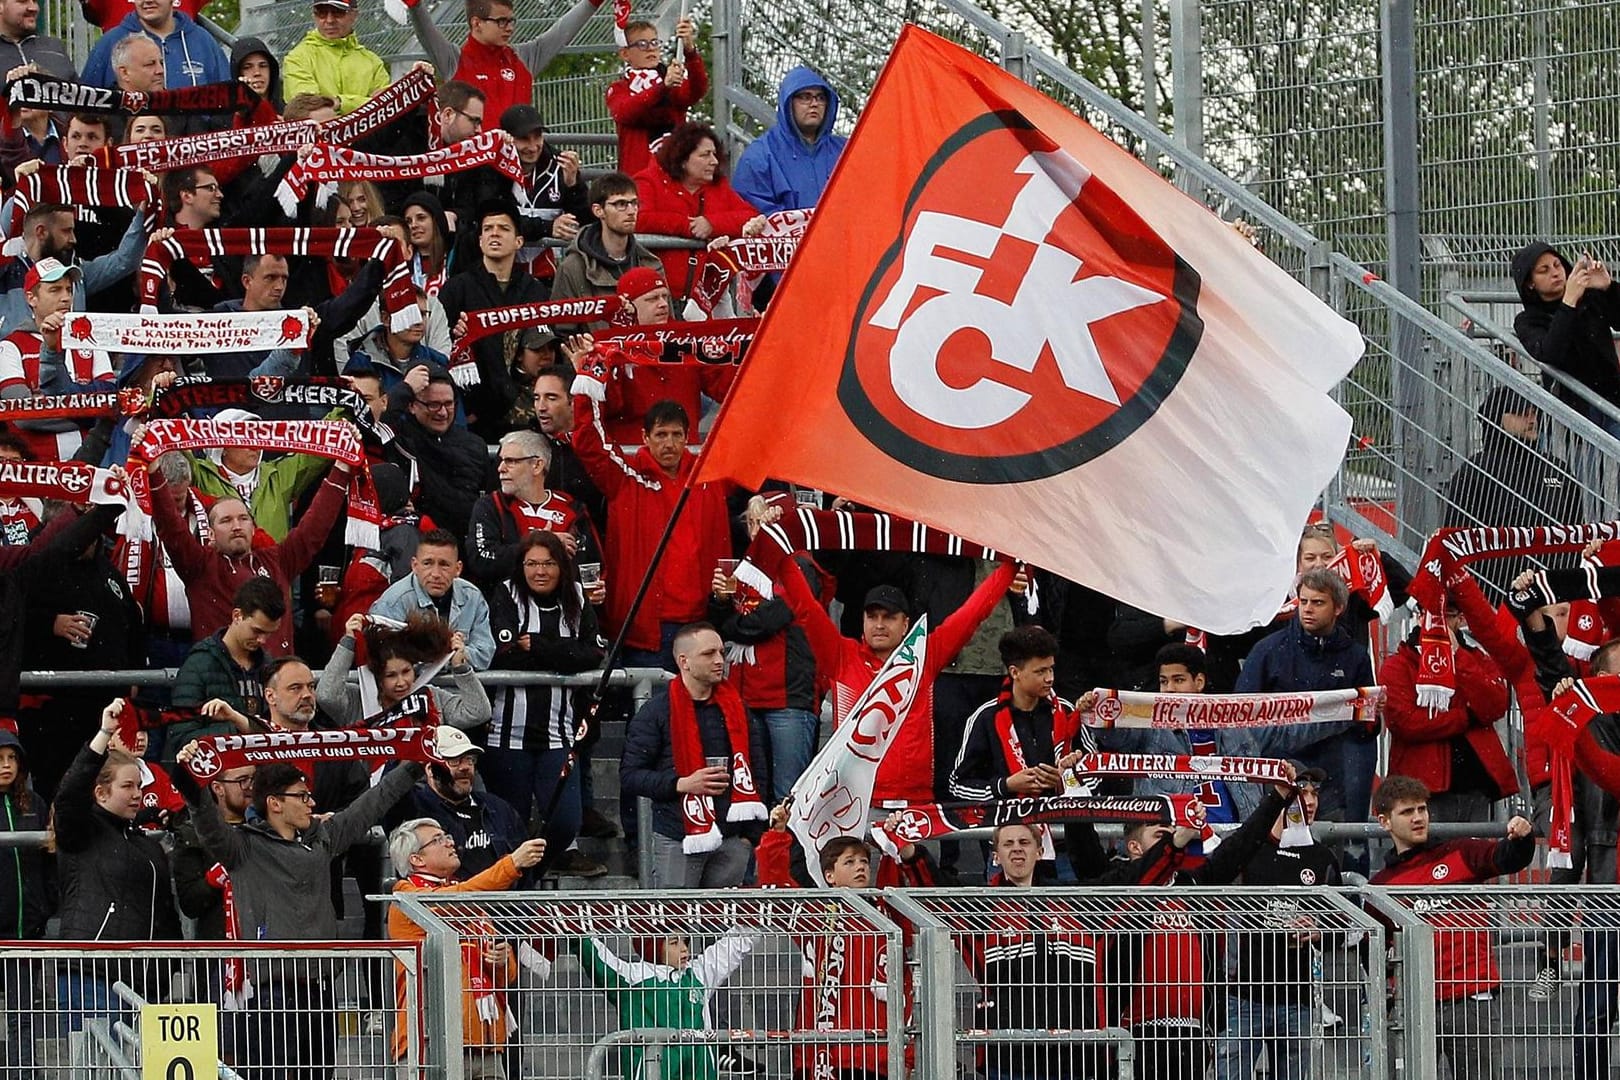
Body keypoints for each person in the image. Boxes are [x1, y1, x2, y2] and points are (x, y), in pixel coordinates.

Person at [175, 744, 424, 1079]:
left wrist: (415, 763)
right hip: (269, 998)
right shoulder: (241, 847)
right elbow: (204, 818)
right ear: (274, 803)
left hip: (321, 992)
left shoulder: (322, 837)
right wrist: (189, 776)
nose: (312, 802)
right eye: (302, 796)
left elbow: (371, 804)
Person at [775, 553, 1017, 804]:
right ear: (863, 622)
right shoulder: (841, 656)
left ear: (905, 624)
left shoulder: (925, 656)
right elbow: (806, 608)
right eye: (872, 616)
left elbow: (973, 612)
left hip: (914, 803)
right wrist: (779, 554)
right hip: (853, 802)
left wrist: (1011, 566)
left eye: (889, 617)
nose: (879, 624)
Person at [1369, 776, 1535, 1080]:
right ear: (1385, 821)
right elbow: (1377, 954)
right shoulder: (1380, 887)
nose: (1418, 818)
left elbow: (1508, 859)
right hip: (1416, 1007)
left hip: (1472, 1000)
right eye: (1407, 812)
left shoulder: (1459, 852)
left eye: (1422, 809)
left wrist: (1522, 837)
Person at [756, 801, 934, 1079]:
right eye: (849, 862)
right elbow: (776, 884)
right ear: (829, 876)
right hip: (824, 1053)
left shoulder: (888, 912)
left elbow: (898, 875)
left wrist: (892, 841)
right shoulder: (814, 915)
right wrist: (777, 834)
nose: (860, 867)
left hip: (878, 1056)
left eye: (864, 861)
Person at [569, 389, 733, 668]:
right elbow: (588, 442)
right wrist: (587, 386)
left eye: (676, 435)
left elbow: (754, 446)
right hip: (643, 631)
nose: (669, 443)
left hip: (701, 624)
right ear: (645, 438)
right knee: (648, 709)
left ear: (688, 437)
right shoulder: (625, 477)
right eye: (660, 435)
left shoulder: (710, 478)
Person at [145, 443, 350, 656]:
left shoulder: (278, 560)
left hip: (276, 682)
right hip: (223, 682)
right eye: (226, 520)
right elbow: (171, 526)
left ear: (253, 528)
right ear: (210, 534)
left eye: (243, 518)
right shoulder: (200, 567)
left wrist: (342, 466)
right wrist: (153, 470)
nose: (236, 526)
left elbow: (315, 526)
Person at [485, 531, 608, 874]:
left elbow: (594, 653)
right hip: (507, 734)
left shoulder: (579, 599)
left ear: (562, 566)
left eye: (549, 563)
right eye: (532, 563)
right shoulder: (506, 594)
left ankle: (537, 870)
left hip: (559, 732)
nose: (540, 571)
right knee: (511, 823)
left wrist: (538, 645)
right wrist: (565, 656)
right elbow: (504, 656)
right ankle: (514, 893)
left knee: (567, 821)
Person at [53, 700, 180, 1027]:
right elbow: (69, 795)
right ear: (100, 792)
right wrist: (105, 732)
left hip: (145, 985)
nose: (138, 794)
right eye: (127, 786)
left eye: (139, 785)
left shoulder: (144, 844)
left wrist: (166, 972)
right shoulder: (81, 832)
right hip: (91, 975)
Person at [386, 820, 548, 1077]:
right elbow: (453, 901)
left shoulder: (466, 900)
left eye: (447, 836)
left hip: (484, 1042)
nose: (450, 842)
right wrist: (512, 863)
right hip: (428, 1042)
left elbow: (506, 978)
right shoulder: (407, 897)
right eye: (438, 839)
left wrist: (504, 960)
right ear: (416, 859)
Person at [1213, 766, 1342, 1080]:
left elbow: (1344, 928)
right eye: (1302, 792)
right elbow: (1213, 876)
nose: (1309, 801)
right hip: (1242, 995)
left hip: (1297, 999)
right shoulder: (1247, 850)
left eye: (1314, 794)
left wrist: (1319, 932)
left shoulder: (1322, 857)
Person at [621, 622, 768, 888]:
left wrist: (749, 838)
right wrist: (682, 784)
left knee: (721, 927)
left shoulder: (737, 709)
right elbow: (631, 776)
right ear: (683, 661)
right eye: (708, 654)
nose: (719, 661)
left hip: (732, 840)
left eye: (721, 653)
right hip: (678, 837)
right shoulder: (656, 712)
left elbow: (758, 770)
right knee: (676, 926)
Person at [1235, 567, 1377, 833]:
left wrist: (1370, 715)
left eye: (1318, 602)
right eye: (1304, 601)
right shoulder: (1269, 650)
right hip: (1278, 778)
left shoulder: (1355, 656)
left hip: (1331, 781)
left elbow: (1367, 728)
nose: (1308, 609)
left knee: (1328, 859)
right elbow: (1241, 720)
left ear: (1339, 607)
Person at [960, 822, 1106, 1080]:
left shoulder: (1074, 903)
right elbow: (932, 886)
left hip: (1075, 1055)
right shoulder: (982, 910)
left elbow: (1132, 883)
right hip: (1008, 1057)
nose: (1017, 849)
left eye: (1024, 842)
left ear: (1040, 851)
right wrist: (911, 853)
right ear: (996, 856)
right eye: (1008, 844)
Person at [1382, 570, 1518, 823]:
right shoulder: (1399, 664)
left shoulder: (1475, 659)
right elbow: (1406, 723)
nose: (1439, 622)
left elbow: (1495, 705)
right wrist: (1465, 717)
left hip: (1474, 784)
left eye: (1448, 615)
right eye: (1432, 614)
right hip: (1423, 787)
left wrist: (1459, 657)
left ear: (1461, 620)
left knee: (1474, 859)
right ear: (1420, 616)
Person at [574, 923, 760, 1080]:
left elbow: (732, 947)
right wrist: (573, 926)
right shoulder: (632, 977)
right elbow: (594, 955)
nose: (684, 948)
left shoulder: (697, 974)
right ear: (653, 946)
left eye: (685, 941)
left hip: (700, 1070)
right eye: (674, 942)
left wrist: (754, 915)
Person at [1445, 387, 1582, 590]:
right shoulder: (1476, 471)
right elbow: (1456, 541)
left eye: (1533, 412)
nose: (1531, 419)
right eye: (1520, 413)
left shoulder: (1556, 468)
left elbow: (1578, 527)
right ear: (1497, 419)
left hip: (1556, 592)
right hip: (1499, 595)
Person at [437, 199, 548, 436]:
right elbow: (438, 344)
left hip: (524, 414)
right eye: (487, 229)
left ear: (519, 241)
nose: (494, 234)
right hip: (472, 414)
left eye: (503, 228)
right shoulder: (457, 289)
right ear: (479, 241)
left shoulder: (535, 290)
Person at [589, 266, 735, 446]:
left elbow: (727, 388)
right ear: (628, 305)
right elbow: (608, 408)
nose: (663, 304)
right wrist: (621, 364)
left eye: (665, 296)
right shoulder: (609, 348)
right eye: (652, 299)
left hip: (685, 458)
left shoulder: (686, 341)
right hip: (634, 460)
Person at [633, 122, 764, 306]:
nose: (714, 161)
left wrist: (712, 224)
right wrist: (687, 226)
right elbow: (637, 218)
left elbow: (751, 216)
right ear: (682, 159)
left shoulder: (718, 187)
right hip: (660, 299)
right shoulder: (648, 181)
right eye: (705, 155)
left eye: (714, 154)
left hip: (708, 300)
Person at [408, 0, 607, 120]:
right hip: (473, 174)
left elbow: (562, 31)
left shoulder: (523, 58)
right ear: (476, 23)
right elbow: (427, 33)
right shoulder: (454, 60)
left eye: (511, 21)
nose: (510, 27)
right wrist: (415, 6)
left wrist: (594, 3)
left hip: (518, 170)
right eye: (502, 21)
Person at [0, 258, 115, 460]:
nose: (66, 298)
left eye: (69, 290)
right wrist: (87, 413)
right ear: (31, 298)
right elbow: (23, 416)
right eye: (55, 290)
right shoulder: (11, 346)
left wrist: (47, 407)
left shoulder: (91, 341)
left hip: (91, 465)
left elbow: (110, 403)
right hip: (38, 469)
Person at [387, 725, 532, 884]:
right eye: (454, 761)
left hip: (503, 907)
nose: (465, 767)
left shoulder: (498, 807)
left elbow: (525, 869)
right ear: (429, 769)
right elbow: (388, 790)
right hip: (443, 905)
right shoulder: (413, 808)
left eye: (469, 760)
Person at [166, 577, 284, 758]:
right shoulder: (199, 663)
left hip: (264, 772)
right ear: (237, 616)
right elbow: (179, 736)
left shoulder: (268, 665)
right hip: (217, 774)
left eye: (269, 634)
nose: (263, 640)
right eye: (257, 631)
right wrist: (236, 729)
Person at [467, 429, 598, 588]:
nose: (500, 468)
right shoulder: (490, 506)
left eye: (511, 461)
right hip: (509, 607)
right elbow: (481, 560)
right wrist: (544, 544)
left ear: (537, 465)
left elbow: (590, 566)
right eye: (501, 460)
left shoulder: (572, 509)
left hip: (563, 608)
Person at [319, 611, 493, 730]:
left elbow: (478, 713)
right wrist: (348, 642)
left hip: (423, 781)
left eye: (406, 672)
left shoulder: (431, 696)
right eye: (391, 675)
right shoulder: (358, 699)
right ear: (377, 676)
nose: (401, 682)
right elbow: (326, 695)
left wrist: (460, 668)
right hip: (369, 783)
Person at [1511, 242, 1620, 432]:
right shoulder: (1527, 321)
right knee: (1583, 462)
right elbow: (1550, 352)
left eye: (1557, 265)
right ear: (1530, 283)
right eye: (1543, 270)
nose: (1555, 273)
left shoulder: (1589, 297)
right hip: (1574, 413)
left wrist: (1608, 287)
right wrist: (1568, 302)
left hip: (1612, 401)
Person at [381, 364, 488, 545]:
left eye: (449, 404)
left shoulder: (475, 445)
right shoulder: (400, 440)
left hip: (464, 549)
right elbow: (375, 427)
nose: (443, 412)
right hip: (416, 545)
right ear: (412, 406)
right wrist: (405, 388)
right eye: (433, 405)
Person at [370, 529, 496, 671]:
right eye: (427, 563)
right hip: (412, 690)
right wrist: (449, 655)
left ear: (458, 569)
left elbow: (485, 655)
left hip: (461, 688)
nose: (436, 574)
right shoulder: (393, 601)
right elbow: (386, 661)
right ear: (414, 565)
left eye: (444, 564)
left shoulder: (472, 597)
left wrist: (463, 653)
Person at [0, 728, 52, 1068]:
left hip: (25, 933)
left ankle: (23, 1073)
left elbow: (50, 861)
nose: (6, 765)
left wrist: (47, 903)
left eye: (12, 758)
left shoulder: (34, 804)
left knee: (23, 1016)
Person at [733, 66, 845, 216]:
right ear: (788, 103)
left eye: (820, 97)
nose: (814, 104)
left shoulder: (845, 150)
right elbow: (748, 211)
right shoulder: (760, 154)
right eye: (805, 97)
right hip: (786, 238)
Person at [606, 16, 707, 179]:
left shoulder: (671, 80)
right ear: (625, 54)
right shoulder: (619, 88)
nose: (651, 49)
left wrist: (690, 51)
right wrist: (662, 88)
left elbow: (697, 90)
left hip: (674, 172)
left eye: (655, 43)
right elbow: (625, 112)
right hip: (639, 177)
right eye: (642, 44)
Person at [499, 105, 588, 287]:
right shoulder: (494, 167)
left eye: (538, 137)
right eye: (524, 139)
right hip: (500, 275)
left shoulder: (560, 166)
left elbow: (586, 220)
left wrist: (573, 186)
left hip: (546, 277)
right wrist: (548, 227)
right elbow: (497, 218)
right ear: (508, 139)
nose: (533, 147)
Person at [549, 171, 663, 308]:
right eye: (621, 204)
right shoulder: (573, 267)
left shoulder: (651, 263)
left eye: (634, 203)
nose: (631, 211)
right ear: (598, 210)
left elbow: (666, 323)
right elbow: (563, 326)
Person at [81, 0, 230, 91]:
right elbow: (85, 111)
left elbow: (229, 103)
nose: (148, 1)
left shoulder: (204, 42)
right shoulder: (109, 44)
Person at [282, 0, 390, 115]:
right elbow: (308, 109)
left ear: (354, 15)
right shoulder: (297, 58)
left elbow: (386, 107)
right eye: (322, 13)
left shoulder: (373, 61)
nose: (329, 20)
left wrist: (339, 102)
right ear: (314, 15)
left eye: (338, 12)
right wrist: (365, 102)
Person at [0, 0, 76, 80]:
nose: (33, 8)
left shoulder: (54, 47)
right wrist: (11, 86)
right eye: (23, 1)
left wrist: (44, 77)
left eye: (35, 1)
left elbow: (76, 90)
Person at [231, 37, 284, 113]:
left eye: (263, 66)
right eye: (247, 67)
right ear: (238, 74)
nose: (257, 73)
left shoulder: (290, 115)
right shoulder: (222, 121)